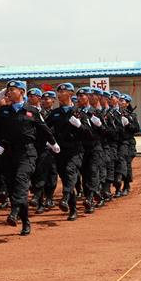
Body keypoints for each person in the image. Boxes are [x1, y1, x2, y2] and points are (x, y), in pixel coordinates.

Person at [0, 81, 58, 236]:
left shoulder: (31, 111)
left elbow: (43, 129)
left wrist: (53, 143)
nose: (8, 93)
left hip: (27, 153)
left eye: (12, 90)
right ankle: (25, 221)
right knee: (12, 188)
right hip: (8, 154)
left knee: (21, 179)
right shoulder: (3, 111)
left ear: (21, 92)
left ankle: (15, 211)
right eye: (7, 91)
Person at [44, 83, 90, 221]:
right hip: (59, 151)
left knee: (70, 172)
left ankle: (64, 198)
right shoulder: (55, 113)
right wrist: (49, 142)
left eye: (63, 92)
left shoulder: (79, 112)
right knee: (66, 178)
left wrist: (79, 125)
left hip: (76, 150)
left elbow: (89, 133)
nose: (59, 94)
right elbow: (44, 129)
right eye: (58, 92)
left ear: (70, 94)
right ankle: (72, 208)